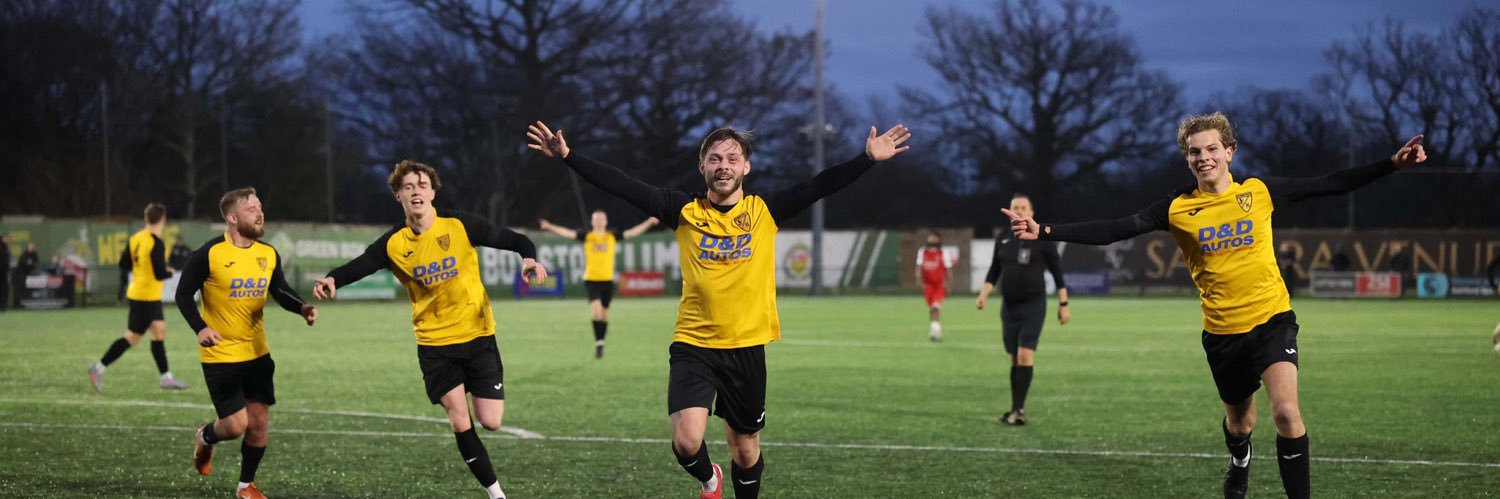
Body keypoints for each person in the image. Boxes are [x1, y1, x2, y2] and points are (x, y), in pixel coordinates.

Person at [1001, 112, 1426, 499]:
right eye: (1194, 152)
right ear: (1187, 159)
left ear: (1229, 152)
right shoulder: (1177, 208)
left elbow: (1330, 183)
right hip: (1223, 335)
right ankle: (1240, 458)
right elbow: (1116, 229)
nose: (1203, 158)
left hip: (1272, 320)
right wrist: (1045, 231)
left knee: (1285, 413)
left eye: (1211, 149)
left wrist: (1391, 163)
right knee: (1240, 424)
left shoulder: (1259, 192)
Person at [527, 120, 910, 499]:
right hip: (694, 343)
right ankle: (709, 480)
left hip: (746, 347)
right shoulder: (683, 210)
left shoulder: (765, 210)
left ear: (746, 167)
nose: (723, 165)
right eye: (715, 158)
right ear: (703, 167)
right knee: (686, 441)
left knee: (744, 450)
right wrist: (568, 156)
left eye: (732, 158)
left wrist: (866, 159)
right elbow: (623, 184)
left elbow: (819, 186)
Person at [313, 160, 547, 499]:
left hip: (478, 336)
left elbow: (516, 239)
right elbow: (361, 264)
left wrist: (529, 259)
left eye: (422, 185)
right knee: (459, 419)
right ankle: (497, 495)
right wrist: (333, 278)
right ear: (398, 196)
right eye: (408, 187)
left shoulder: (459, 225)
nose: (416, 191)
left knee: (492, 421)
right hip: (435, 345)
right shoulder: (394, 243)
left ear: (433, 192)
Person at [177, 188, 318, 499]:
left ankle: (245, 486)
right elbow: (183, 294)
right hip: (221, 354)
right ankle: (206, 436)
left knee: (259, 423)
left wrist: (302, 307)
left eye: (260, 208)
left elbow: (280, 290)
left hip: (257, 353)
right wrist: (200, 328)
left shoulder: (268, 253)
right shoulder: (209, 253)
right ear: (232, 217)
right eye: (252, 209)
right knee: (235, 425)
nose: (260, 213)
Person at [976, 194, 1069, 426]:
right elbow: (994, 270)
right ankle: (1015, 408)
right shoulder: (1003, 238)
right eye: (1015, 207)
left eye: (1023, 207)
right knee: (1014, 358)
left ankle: (1018, 410)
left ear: (1031, 212)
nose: (1019, 210)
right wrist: (984, 294)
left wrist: (1063, 304)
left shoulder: (1041, 237)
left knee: (1025, 354)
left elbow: (1057, 272)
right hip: (1009, 307)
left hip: (1033, 305)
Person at [88, 203, 188, 391]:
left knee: (159, 331)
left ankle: (166, 378)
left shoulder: (136, 238)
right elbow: (159, 273)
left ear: (146, 219)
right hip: (145, 297)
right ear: (162, 220)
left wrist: (142, 269)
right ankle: (98, 367)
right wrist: (169, 272)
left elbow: (124, 263)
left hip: (144, 294)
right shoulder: (156, 243)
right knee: (132, 337)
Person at [538, 211, 658, 358]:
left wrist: (649, 223)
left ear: (606, 221)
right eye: (596, 219)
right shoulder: (587, 236)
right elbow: (567, 233)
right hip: (591, 280)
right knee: (597, 313)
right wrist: (550, 226)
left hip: (607, 280)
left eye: (601, 219)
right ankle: (598, 343)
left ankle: (601, 341)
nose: (599, 221)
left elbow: (632, 232)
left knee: (605, 316)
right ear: (592, 222)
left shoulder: (612, 236)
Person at [916, 232, 953, 342]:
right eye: (930, 238)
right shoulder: (922, 251)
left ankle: (936, 332)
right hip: (927, 285)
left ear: (939, 240)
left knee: (935, 307)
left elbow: (948, 269)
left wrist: (948, 285)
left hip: (939, 285)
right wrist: (919, 280)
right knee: (932, 308)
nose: (931, 240)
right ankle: (935, 329)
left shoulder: (943, 252)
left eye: (934, 238)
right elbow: (919, 266)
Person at [14, 242, 38, 308]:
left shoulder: (34, 254)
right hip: (20, 273)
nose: (31, 248)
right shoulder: (24, 254)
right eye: (30, 247)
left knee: (25, 288)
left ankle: (22, 302)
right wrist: (30, 263)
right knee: (19, 288)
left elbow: (35, 263)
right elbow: (24, 263)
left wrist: (31, 263)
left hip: (27, 274)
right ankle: (17, 304)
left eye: (33, 247)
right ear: (28, 248)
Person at [0, 234, 10, 311]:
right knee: (3, 288)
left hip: (4, 272)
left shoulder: (5, 248)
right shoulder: (1, 247)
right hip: (1, 271)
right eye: (5, 238)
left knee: (5, 288)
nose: (7, 240)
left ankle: (3, 306)